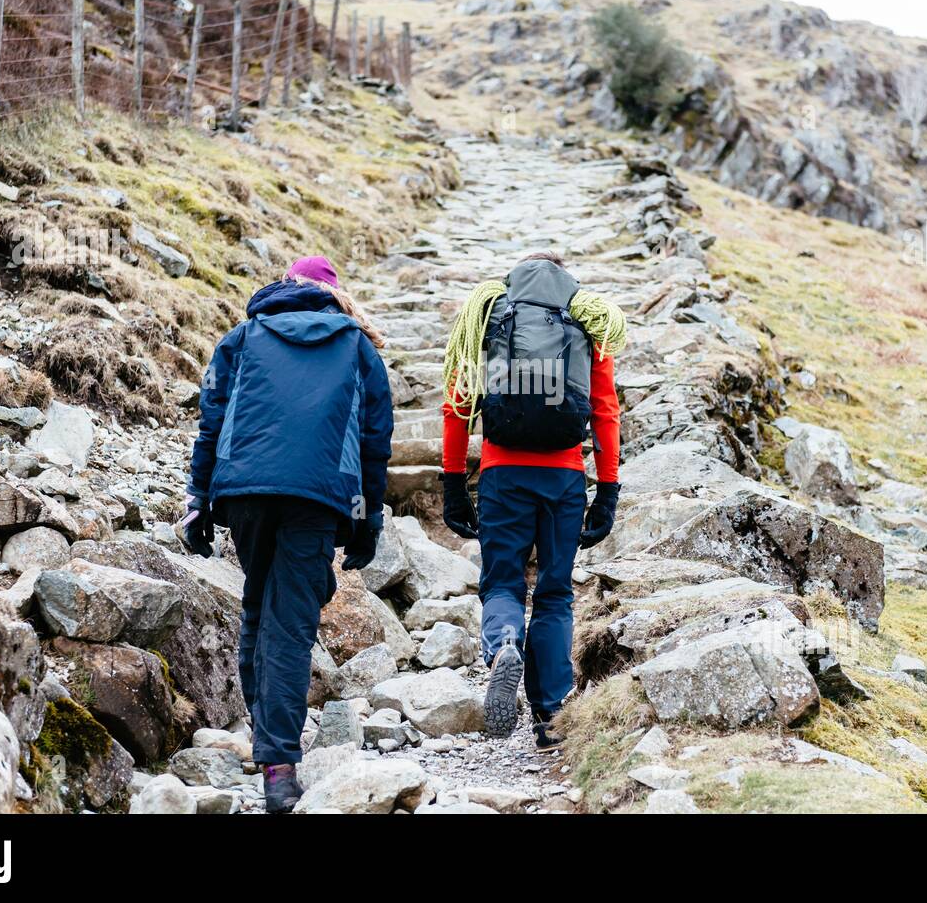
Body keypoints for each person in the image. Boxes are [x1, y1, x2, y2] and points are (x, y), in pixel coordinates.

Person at [184, 255, 393, 813]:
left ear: (285, 286)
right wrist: (366, 518)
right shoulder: (357, 347)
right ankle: (278, 766)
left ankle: (267, 739)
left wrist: (196, 500)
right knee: (290, 624)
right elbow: (375, 442)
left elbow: (212, 421)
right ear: (334, 297)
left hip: (244, 493)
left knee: (259, 602)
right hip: (319, 497)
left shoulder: (244, 335)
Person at [440, 251, 624, 751]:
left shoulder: (489, 312)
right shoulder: (586, 317)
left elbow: (457, 403)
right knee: (555, 592)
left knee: (502, 581)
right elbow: (605, 412)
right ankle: (549, 715)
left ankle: (502, 645)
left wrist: (454, 483)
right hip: (564, 477)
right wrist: (606, 488)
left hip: (502, 473)